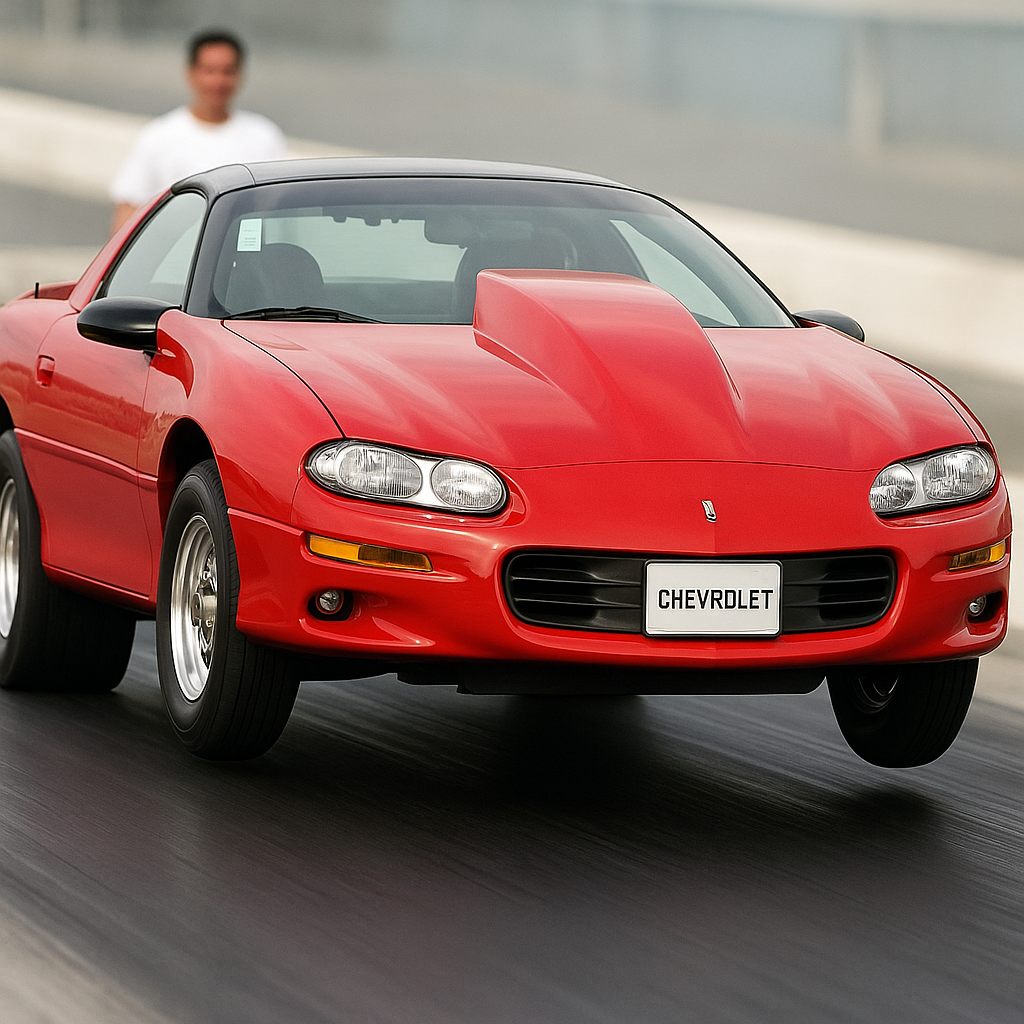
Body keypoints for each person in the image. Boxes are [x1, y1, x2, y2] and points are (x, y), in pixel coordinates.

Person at [109, 29, 288, 232]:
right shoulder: (158, 136)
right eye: (209, 71)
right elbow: (127, 211)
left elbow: (280, 211)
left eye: (227, 71)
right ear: (191, 73)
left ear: (240, 75)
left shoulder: (264, 136)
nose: (218, 81)